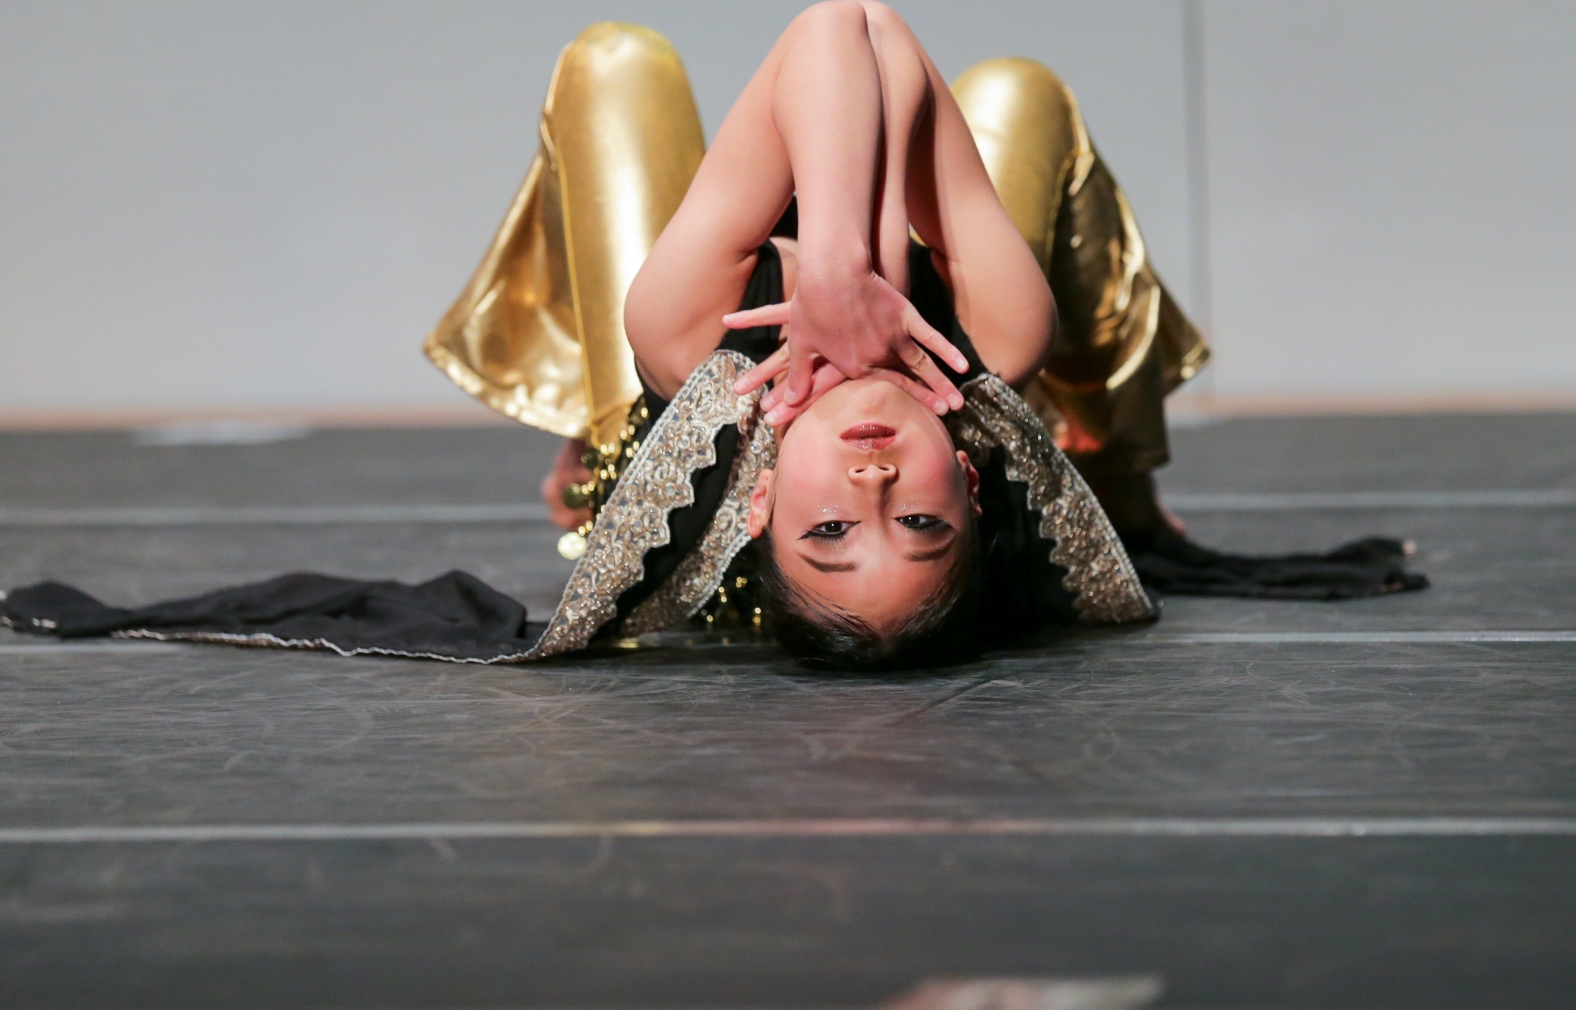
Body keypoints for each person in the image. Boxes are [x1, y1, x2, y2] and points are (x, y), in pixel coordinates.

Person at [2, 5, 1423, 666]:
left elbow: (822, 32)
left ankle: (593, 438)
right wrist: (861, 264)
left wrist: (839, 269)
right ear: (979, 486)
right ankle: (1116, 468)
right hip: (877, 259)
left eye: (831, 532)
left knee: (613, 61)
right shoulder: (1004, 336)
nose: (872, 485)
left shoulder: (689, 350)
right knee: (1019, 87)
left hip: (688, 380)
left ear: (755, 502)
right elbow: (872, 25)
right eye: (920, 524)